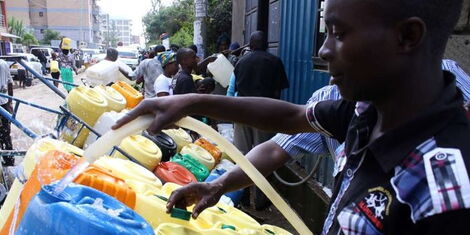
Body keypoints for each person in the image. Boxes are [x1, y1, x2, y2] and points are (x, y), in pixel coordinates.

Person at [113, 0, 470, 234]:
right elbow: (292, 117)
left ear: (407, 36)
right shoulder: (363, 112)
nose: (324, 50)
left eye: (339, 34)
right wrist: (191, 104)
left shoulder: (445, 193)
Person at [232, 31, 289, 155]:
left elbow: (236, 88)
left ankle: (242, 174)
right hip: (263, 111)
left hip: (241, 110)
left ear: (250, 46)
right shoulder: (275, 62)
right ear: (266, 45)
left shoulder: (241, 62)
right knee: (262, 152)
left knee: (241, 152)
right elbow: (278, 91)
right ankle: (262, 174)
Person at [0, 59, 14, 166]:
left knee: (3, 132)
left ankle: (5, 158)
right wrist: (10, 101)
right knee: (6, 132)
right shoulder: (4, 63)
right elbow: (10, 83)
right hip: (4, 102)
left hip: (3, 103)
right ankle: (9, 159)